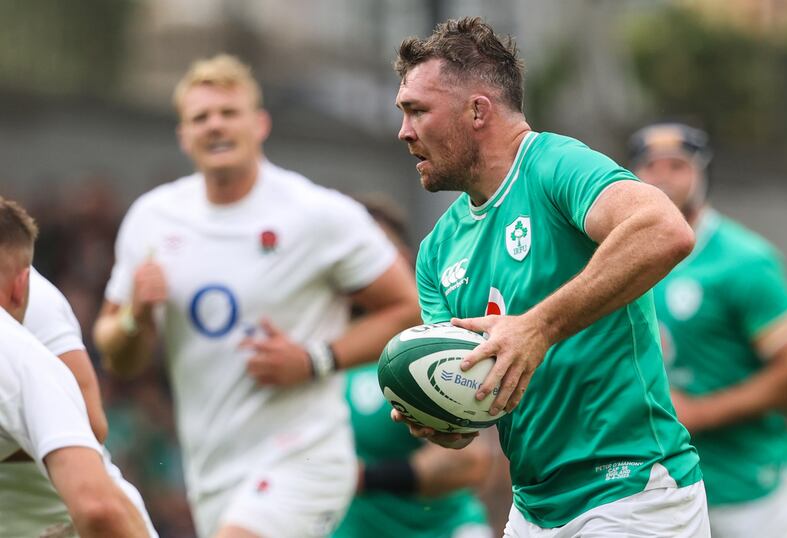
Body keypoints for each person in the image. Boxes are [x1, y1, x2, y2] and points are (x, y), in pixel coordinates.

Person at [391, 17, 710, 537]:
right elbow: (472, 393)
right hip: (535, 508)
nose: (403, 131)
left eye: (417, 111)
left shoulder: (555, 165)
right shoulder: (436, 251)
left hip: (631, 492)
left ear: (477, 110)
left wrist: (538, 326)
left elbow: (664, 230)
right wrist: (444, 415)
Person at [92, 54, 420, 538]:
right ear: (184, 135)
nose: (216, 126)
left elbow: (407, 307)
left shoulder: (319, 214)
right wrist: (135, 316)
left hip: (304, 455)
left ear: (260, 123)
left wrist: (315, 359)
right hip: (212, 470)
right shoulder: (153, 219)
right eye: (201, 117)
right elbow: (117, 355)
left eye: (229, 112)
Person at [629, 122, 787, 538]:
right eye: (651, 166)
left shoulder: (744, 260)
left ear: (703, 176)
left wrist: (700, 413)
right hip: (654, 494)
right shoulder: (615, 263)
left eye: (677, 166)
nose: (663, 176)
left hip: (751, 488)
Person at [333, 195, 494, 538]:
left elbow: (471, 462)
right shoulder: (315, 355)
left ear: (401, 260)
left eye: (377, 255)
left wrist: (363, 478)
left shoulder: (425, 352)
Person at [0, 197, 150, 538]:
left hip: (63, 518)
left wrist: (18, 426)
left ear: (21, 286)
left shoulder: (35, 325)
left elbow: (92, 423)